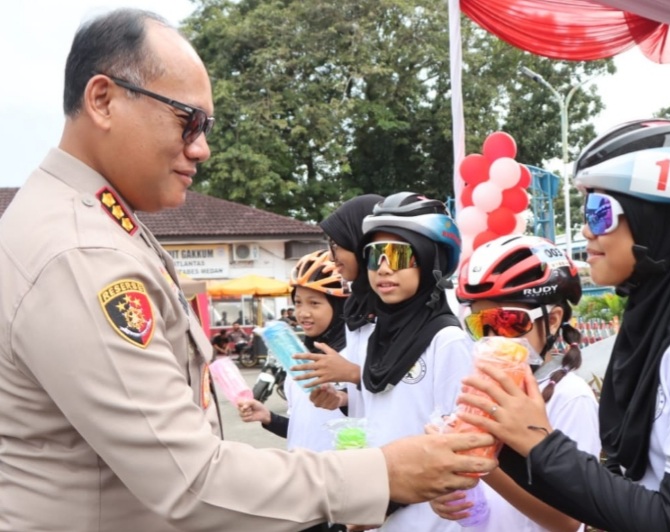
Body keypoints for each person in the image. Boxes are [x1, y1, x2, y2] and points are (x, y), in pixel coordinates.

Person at [0, 9, 496, 531]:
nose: (202, 147)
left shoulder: (86, 224)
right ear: (103, 99)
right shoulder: (83, 254)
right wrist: (384, 475)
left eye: (206, 127)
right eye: (186, 120)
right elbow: (190, 481)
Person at [455, 119, 670, 530]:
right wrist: (501, 446)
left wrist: (541, 444)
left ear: (660, 222)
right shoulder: (662, 336)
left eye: (600, 211)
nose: (587, 229)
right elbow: (622, 496)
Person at [430, 235, 601, 532]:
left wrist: (483, 465)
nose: (492, 336)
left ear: (555, 319)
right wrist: (443, 492)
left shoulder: (570, 398)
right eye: (479, 324)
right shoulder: (481, 388)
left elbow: (570, 522)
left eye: (508, 321)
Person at [347, 192, 475, 531]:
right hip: (376, 514)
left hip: (429, 520)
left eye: (399, 255)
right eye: (374, 256)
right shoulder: (373, 338)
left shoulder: (447, 341)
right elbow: (366, 424)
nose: (384, 268)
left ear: (430, 258)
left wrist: (386, 504)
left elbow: (457, 444)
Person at [240, 249, 350, 531]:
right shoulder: (299, 359)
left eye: (314, 303)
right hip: (303, 494)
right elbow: (306, 430)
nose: (303, 313)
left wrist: (343, 399)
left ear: (340, 306)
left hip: (344, 496)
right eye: (298, 302)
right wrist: (269, 418)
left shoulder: (355, 357)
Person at [294, 194, 385, 412]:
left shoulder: (399, 315)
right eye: (297, 303)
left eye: (336, 245)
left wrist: (353, 374)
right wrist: (343, 399)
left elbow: (413, 395)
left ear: (363, 245)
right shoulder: (358, 314)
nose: (333, 258)